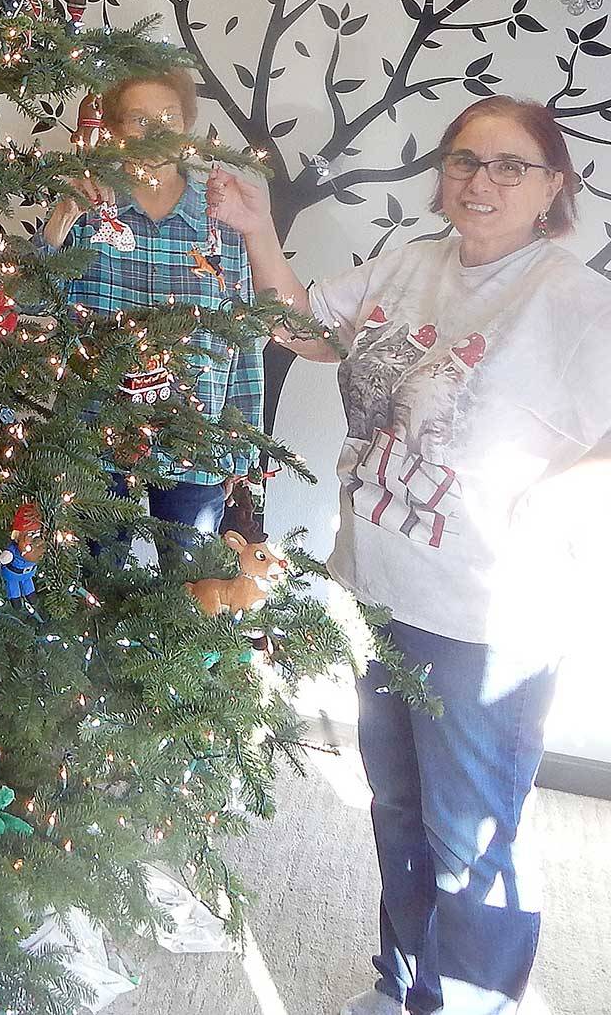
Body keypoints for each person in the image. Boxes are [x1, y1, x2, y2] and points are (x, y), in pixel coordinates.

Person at [206, 95, 611, 1015]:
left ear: (553, 187)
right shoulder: (413, 264)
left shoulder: (572, 297)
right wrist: (261, 232)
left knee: (471, 835)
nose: (482, 181)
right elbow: (308, 333)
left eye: (512, 166)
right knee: (396, 808)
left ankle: (474, 1001)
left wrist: (551, 499)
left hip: (489, 615)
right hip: (386, 586)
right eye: (466, 161)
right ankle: (403, 986)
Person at [36, 68, 263, 543]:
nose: (155, 130)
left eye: (168, 116)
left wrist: (242, 449)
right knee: (87, 588)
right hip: (95, 434)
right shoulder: (90, 208)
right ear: (115, 132)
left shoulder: (221, 216)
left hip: (195, 443)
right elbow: (30, 298)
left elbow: (242, 339)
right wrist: (62, 215)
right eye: (138, 119)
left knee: (189, 595)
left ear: (186, 126)